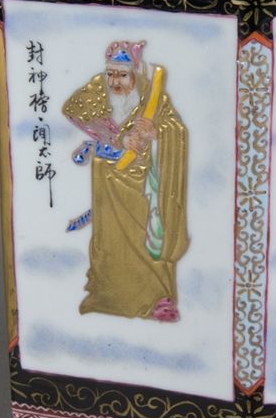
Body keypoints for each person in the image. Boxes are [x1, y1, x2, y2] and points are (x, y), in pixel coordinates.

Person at [62, 40, 188, 321]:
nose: (114, 82)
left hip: (143, 183)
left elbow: (175, 129)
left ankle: (155, 297)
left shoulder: (153, 97)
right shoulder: (98, 89)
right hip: (108, 178)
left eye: (122, 75)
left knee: (146, 237)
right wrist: (117, 138)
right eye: (111, 74)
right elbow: (73, 109)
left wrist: (156, 133)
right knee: (110, 240)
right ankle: (110, 296)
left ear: (136, 73)